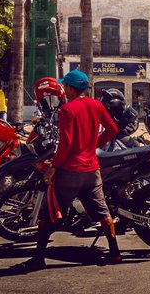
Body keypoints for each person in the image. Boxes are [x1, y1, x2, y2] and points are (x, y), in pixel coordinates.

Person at [20, 69, 121, 269]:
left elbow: (65, 144)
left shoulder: (68, 109)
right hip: (92, 171)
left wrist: (52, 168)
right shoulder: (96, 105)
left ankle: (38, 258)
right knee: (103, 213)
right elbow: (113, 129)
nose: (64, 89)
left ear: (69, 88)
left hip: (70, 172)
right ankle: (115, 252)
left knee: (49, 214)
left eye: (65, 85)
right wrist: (94, 145)